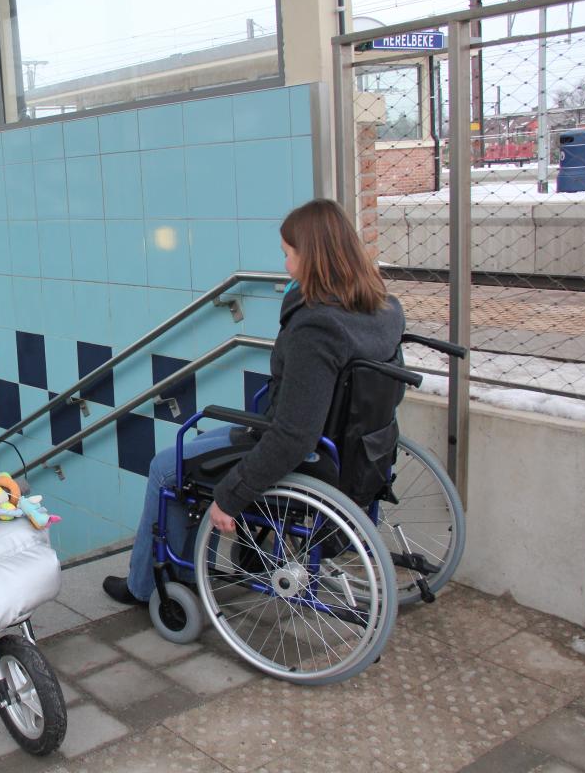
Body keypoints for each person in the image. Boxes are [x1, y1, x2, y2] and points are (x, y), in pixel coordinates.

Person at [103, 198, 406, 605]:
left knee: (166, 467)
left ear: (313, 259)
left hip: (303, 451)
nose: (285, 266)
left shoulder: (316, 329)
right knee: (203, 451)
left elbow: (294, 436)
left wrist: (233, 493)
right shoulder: (384, 309)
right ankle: (218, 559)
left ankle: (146, 588)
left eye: (289, 255)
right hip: (359, 450)